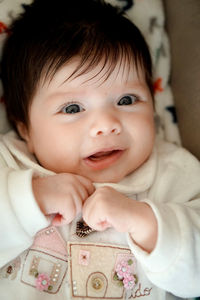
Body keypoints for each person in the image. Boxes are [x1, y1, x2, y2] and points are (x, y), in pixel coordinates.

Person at [0, 0, 199, 299]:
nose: (106, 125)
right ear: (25, 128)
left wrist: (146, 222)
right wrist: (30, 200)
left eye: (127, 100)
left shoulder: (173, 172)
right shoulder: (8, 165)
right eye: (72, 107)